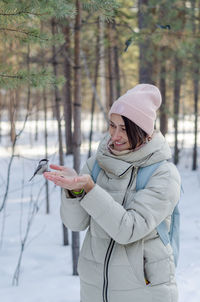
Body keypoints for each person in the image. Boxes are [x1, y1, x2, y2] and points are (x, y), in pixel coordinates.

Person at [44, 84, 181, 302]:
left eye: (124, 129)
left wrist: (90, 190)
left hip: (144, 291)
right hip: (95, 290)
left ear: (143, 130)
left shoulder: (163, 174)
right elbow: (76, 224)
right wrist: (75, 190)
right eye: (112, 125)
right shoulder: (98, 164)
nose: (115, 135)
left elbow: (129, 230)